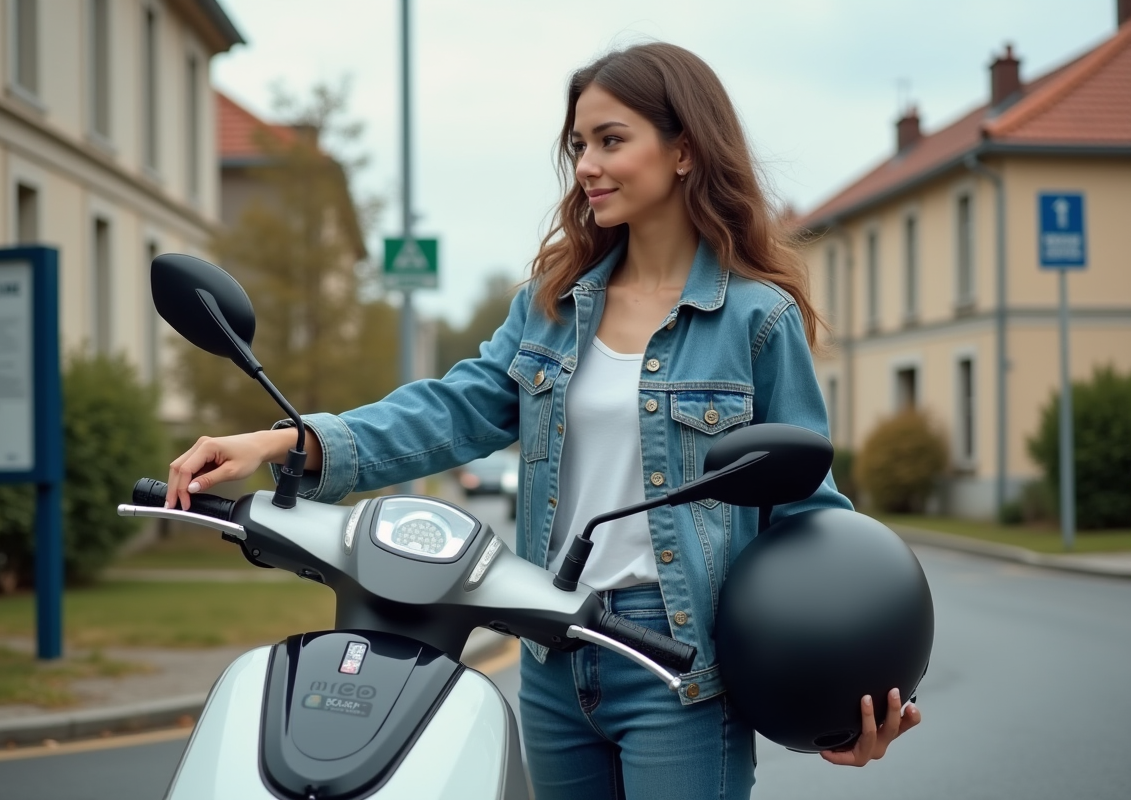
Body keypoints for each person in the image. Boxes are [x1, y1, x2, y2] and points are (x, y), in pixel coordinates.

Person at [165, 42, 921, 800]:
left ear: (684, 149)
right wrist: (281, 440)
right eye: (579, 145)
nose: (587, 165)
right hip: (554, 649)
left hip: (679, 664)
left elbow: (804, 506)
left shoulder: (756, 319)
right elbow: (455, 408)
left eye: (611, 140)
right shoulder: (551, 304)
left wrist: (846, 695)